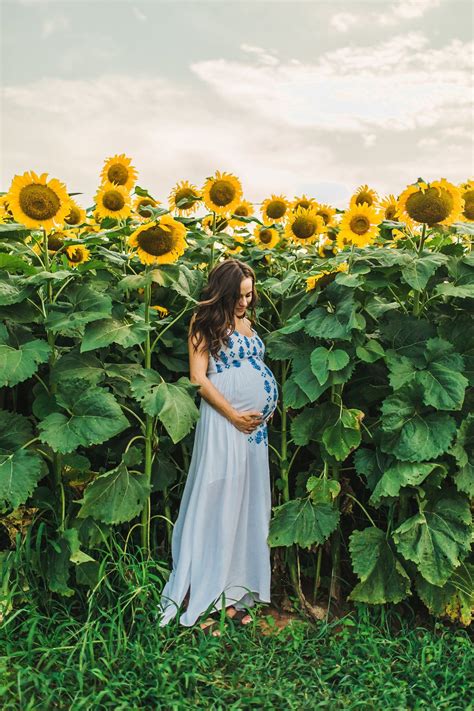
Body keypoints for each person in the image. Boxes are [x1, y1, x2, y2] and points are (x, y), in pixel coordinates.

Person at [156, 258, 279, 635]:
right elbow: (199, 378)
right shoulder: (204, 321)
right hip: (224, 424)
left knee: (246, 502)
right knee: (220, 498)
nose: (246, 302)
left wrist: (262, 407)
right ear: (223, 292)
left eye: (249, 294)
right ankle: (203, 592)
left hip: (252, 431)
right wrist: (234, 415)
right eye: (239, 295)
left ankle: (231, 593)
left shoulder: (245, 321)